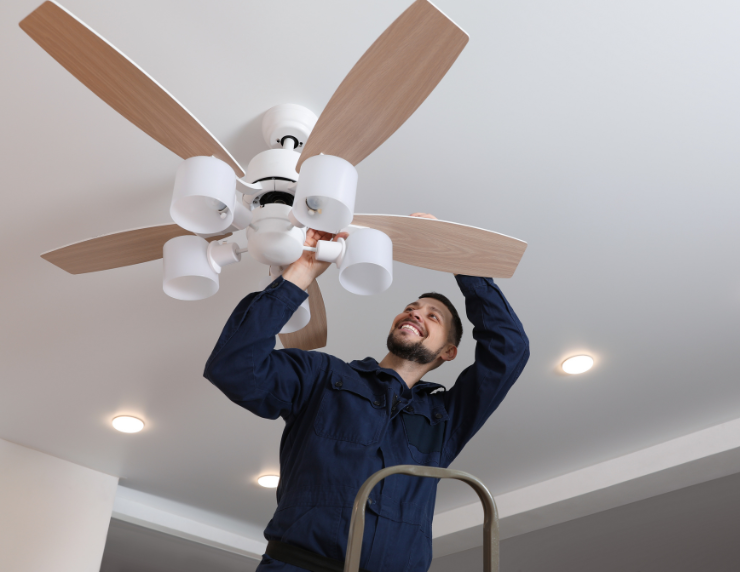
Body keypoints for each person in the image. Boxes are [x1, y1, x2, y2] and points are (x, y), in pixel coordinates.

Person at [204, 213, 529, 572]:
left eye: (432, 316)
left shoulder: (445, 419)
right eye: (411, 308)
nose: (416, 313)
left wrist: (453, 255)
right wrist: (301, 272)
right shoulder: (323, 377)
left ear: (448, 352)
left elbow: (509, 349)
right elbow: (234, 367)